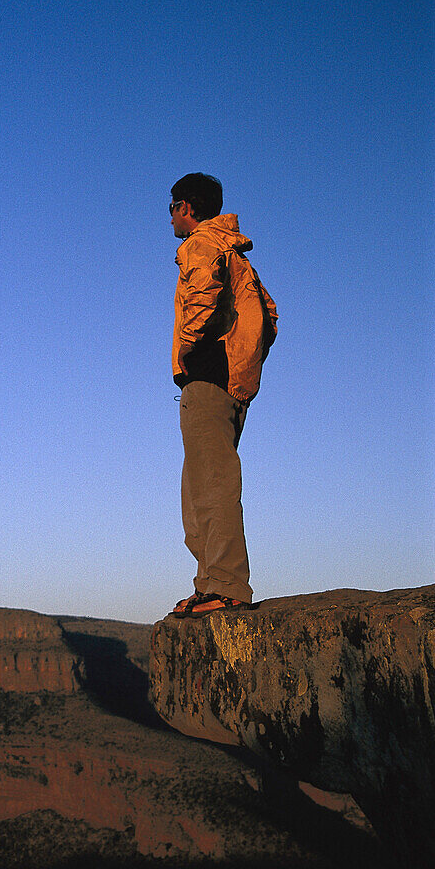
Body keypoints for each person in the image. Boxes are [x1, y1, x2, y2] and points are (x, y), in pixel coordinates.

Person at [169, 172, 277, 617]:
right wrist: (245, 366)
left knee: (211, 488)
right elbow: (268, 316)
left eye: (171, 207)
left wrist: (193, 348)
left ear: (187, 207)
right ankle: (210, 583)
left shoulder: (200, 244)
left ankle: (227, 585)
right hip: (230, 383)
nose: (170, 217)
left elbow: (203, 298)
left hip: (210, 380)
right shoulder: (236, 254)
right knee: (199, 492)